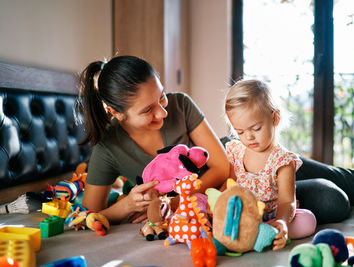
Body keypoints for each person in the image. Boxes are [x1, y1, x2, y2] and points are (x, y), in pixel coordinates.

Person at [79, 55, 230, 224]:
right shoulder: (108, 146)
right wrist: (127, 206)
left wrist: (173, 203)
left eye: (161, 97)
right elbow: (88, 215)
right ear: (116, 112)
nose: (162, 113)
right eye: (147, 110)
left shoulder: (181, 105)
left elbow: (222, 167)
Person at [224, 79, 317, 250]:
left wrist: (282, 222)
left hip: (271, 217)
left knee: (308, 221)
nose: (249, 137)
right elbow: (230, 187)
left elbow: (287, 201)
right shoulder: (236, 152)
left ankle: (266, 234)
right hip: (244, 215)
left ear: (274, 118)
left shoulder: (282, 160)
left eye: (256, 129)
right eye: (240, 132)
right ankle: (252, 234)